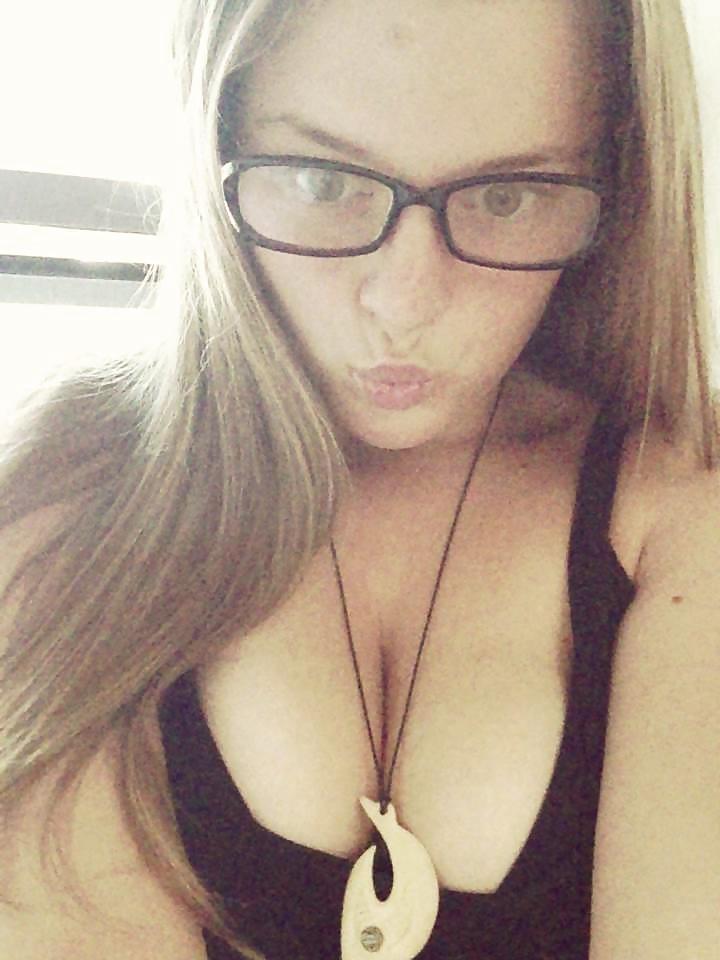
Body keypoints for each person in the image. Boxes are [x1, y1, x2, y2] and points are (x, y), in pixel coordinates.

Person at [1, 0, 719, 957]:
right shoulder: (71, 495)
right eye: (321, 180)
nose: (403, 304)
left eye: (509, 196)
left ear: (615, 188)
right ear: (214, 149)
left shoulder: (680, 508)